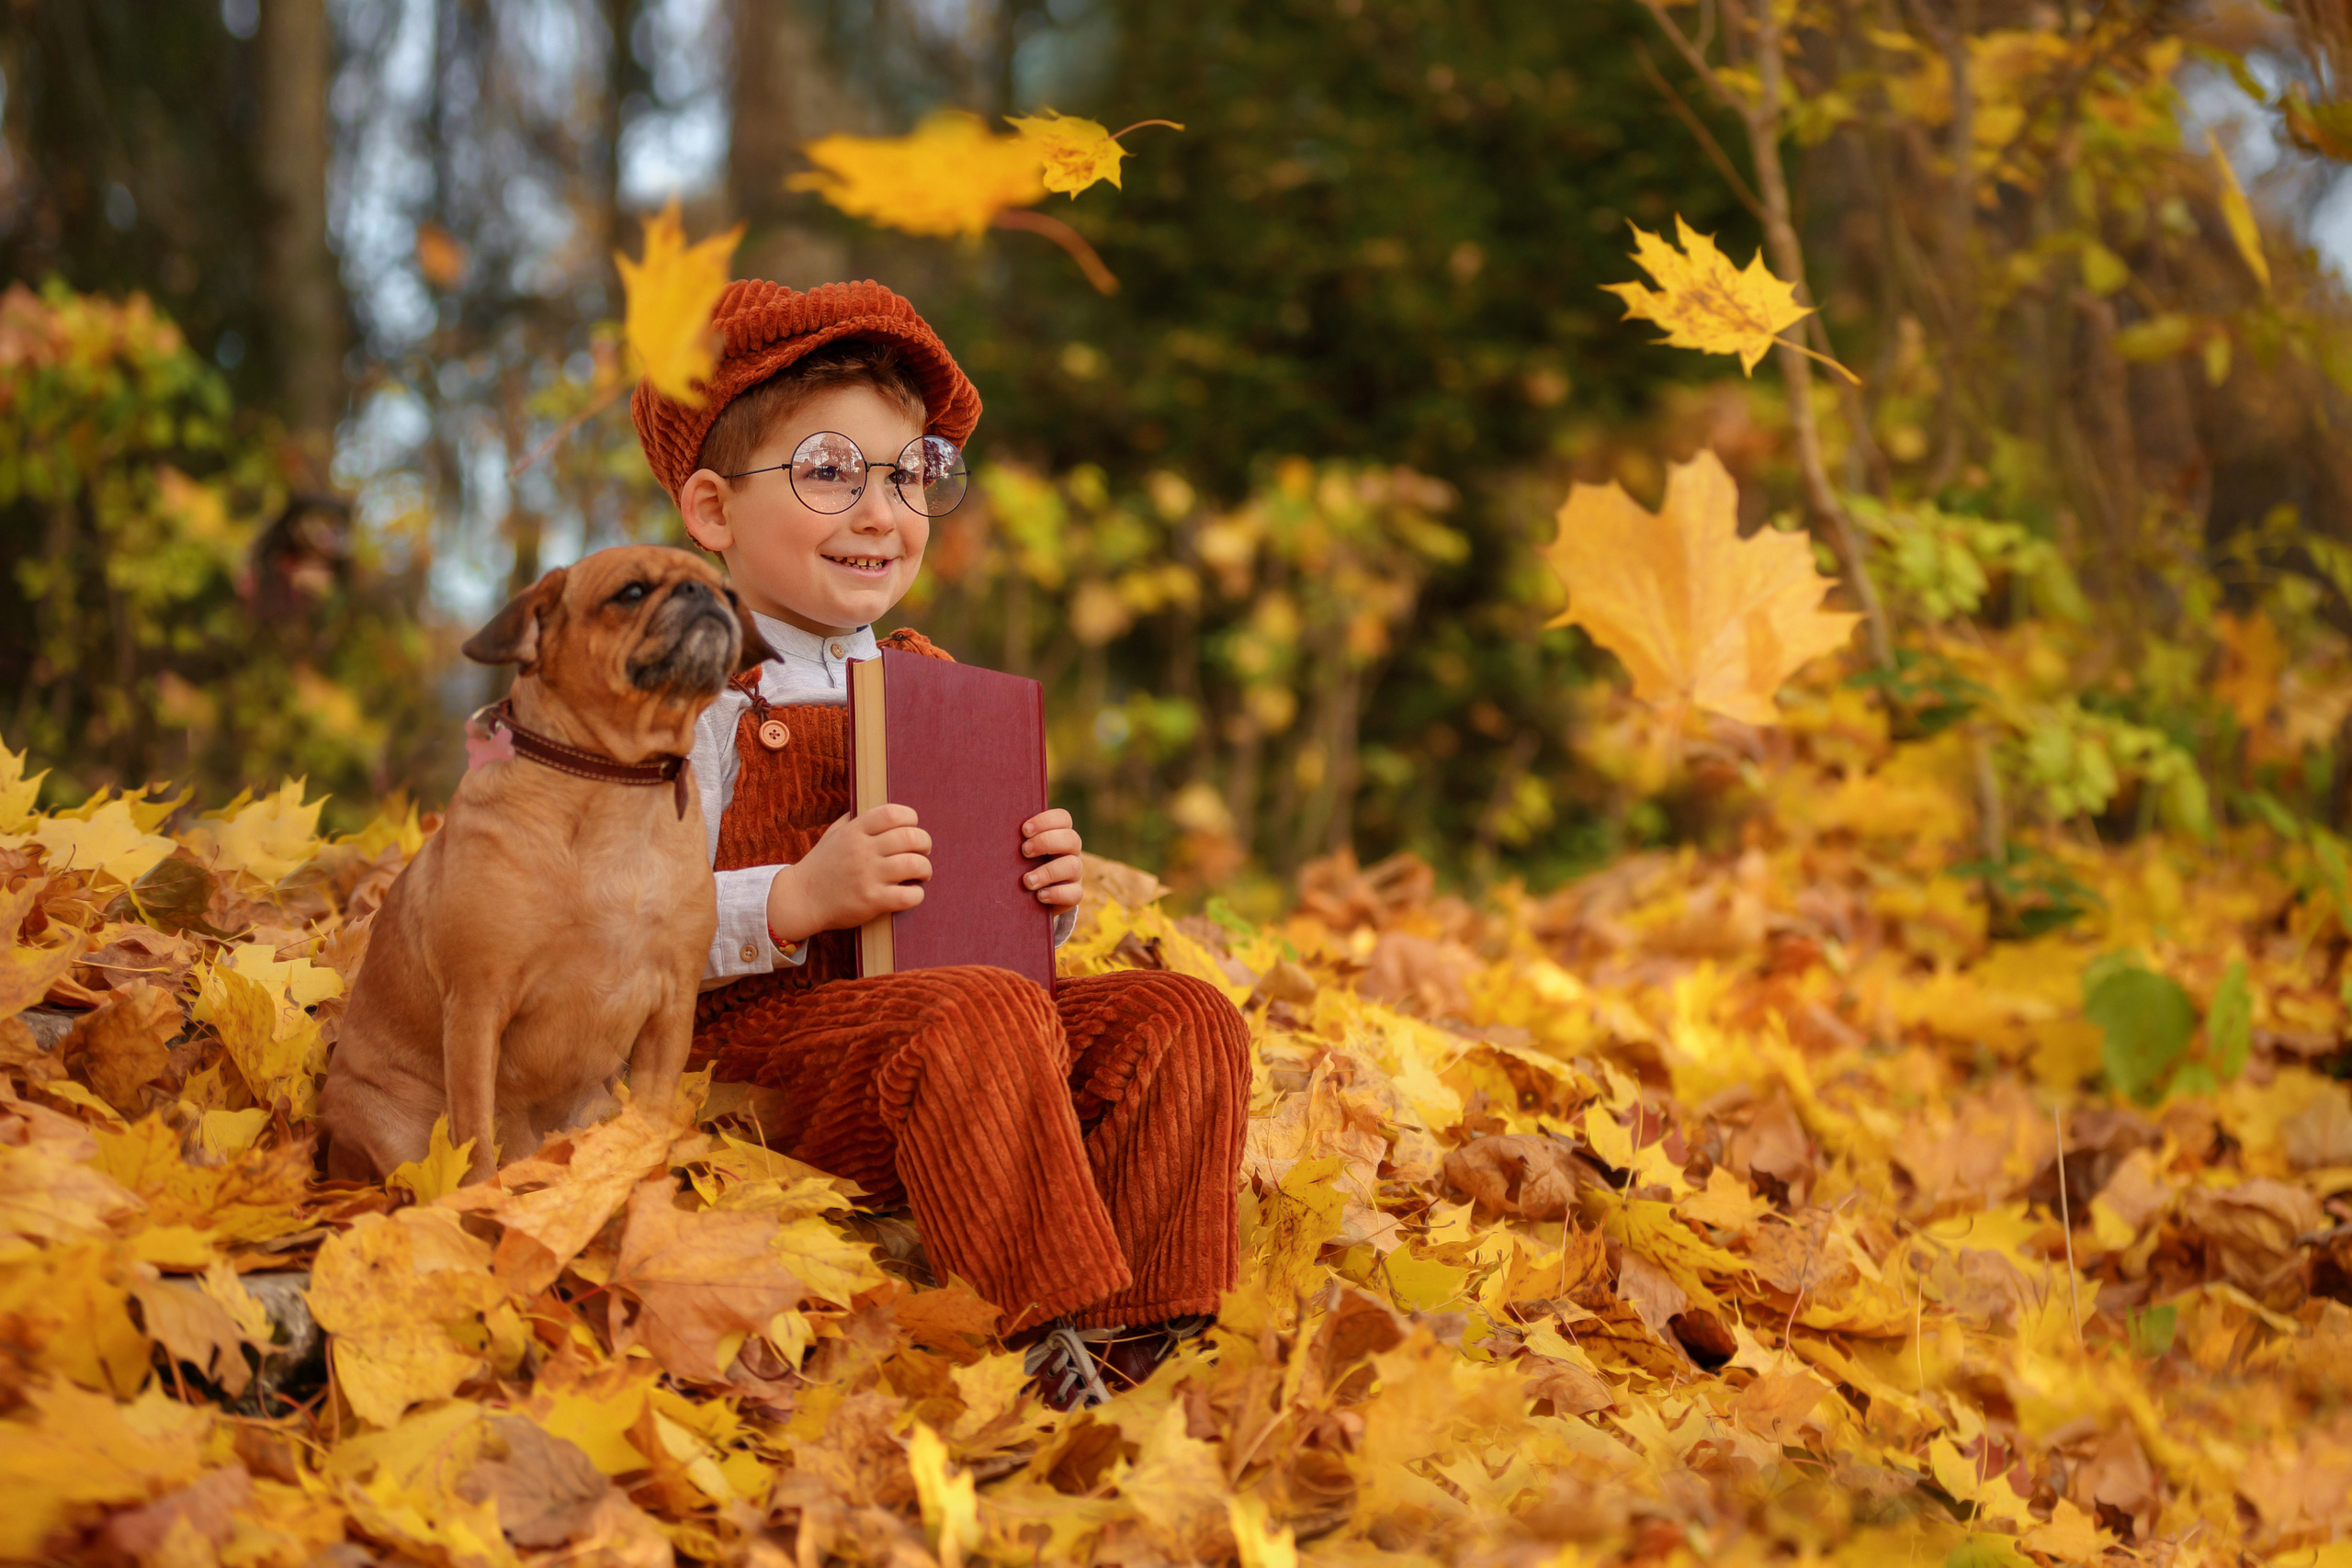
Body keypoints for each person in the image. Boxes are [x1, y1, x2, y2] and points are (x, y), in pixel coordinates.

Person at [630, 279, 1250, 1409]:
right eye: (828, 472)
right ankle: (1040, 1336)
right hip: (761, 1059)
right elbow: (614, 919)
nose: (882, 513)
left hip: (953, 1034)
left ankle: (1149, 1329)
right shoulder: (690, 700)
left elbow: (975, 921)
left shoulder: (933, 687)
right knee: (981, 1012)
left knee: (1181, 1017)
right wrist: (789, 898)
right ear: (714, 512)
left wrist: (1039, 889)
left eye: (910, 475)